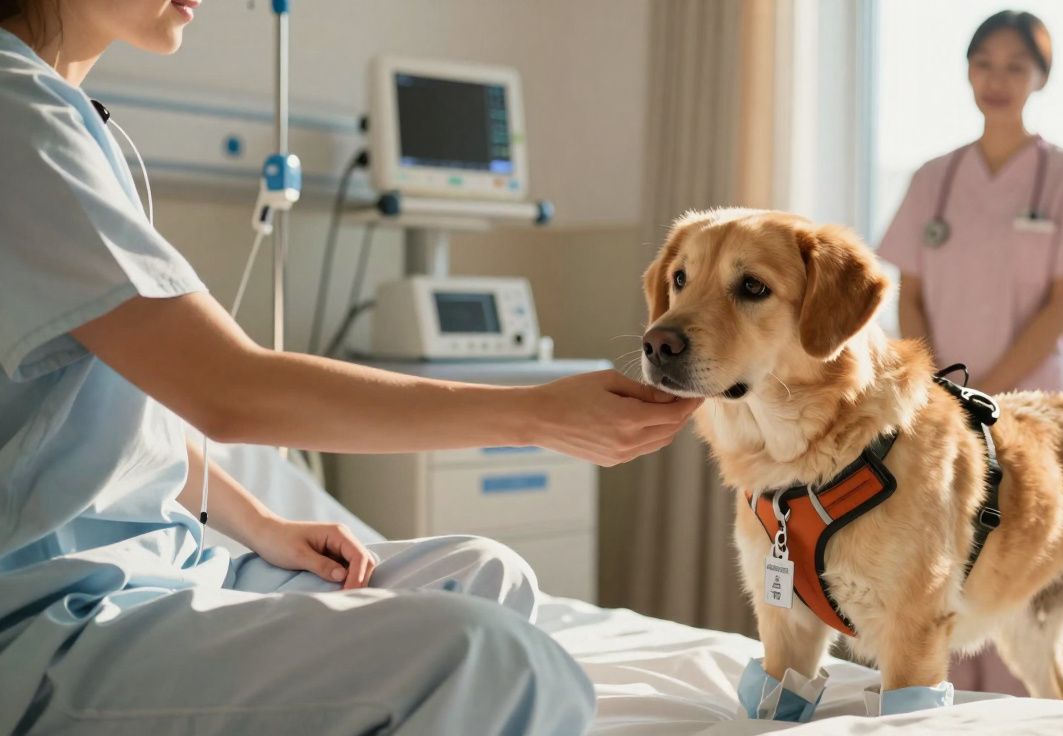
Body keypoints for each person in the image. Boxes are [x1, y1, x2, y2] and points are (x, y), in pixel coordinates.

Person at [0, 1, 700, 733]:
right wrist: (533, 414)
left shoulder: (73, 119)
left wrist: (263, 524)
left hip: (169, 563)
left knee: (486, 575)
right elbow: (226, 390)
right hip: (57, 616)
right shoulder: (18, 122)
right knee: (497, 664)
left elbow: (123, 410)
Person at [877, 11, 1063, 694]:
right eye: (985, 63)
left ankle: (1017, 709)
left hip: (1028, 404)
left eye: (1017, 66)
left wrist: (985, 388)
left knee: (1014, 558)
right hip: (943, 403)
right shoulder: (936, 179)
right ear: (966, 71)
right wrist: (939, 383)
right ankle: (938, 700)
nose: (998, 79)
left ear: (1040, 79)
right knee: (942, 554)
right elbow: (911, 292)